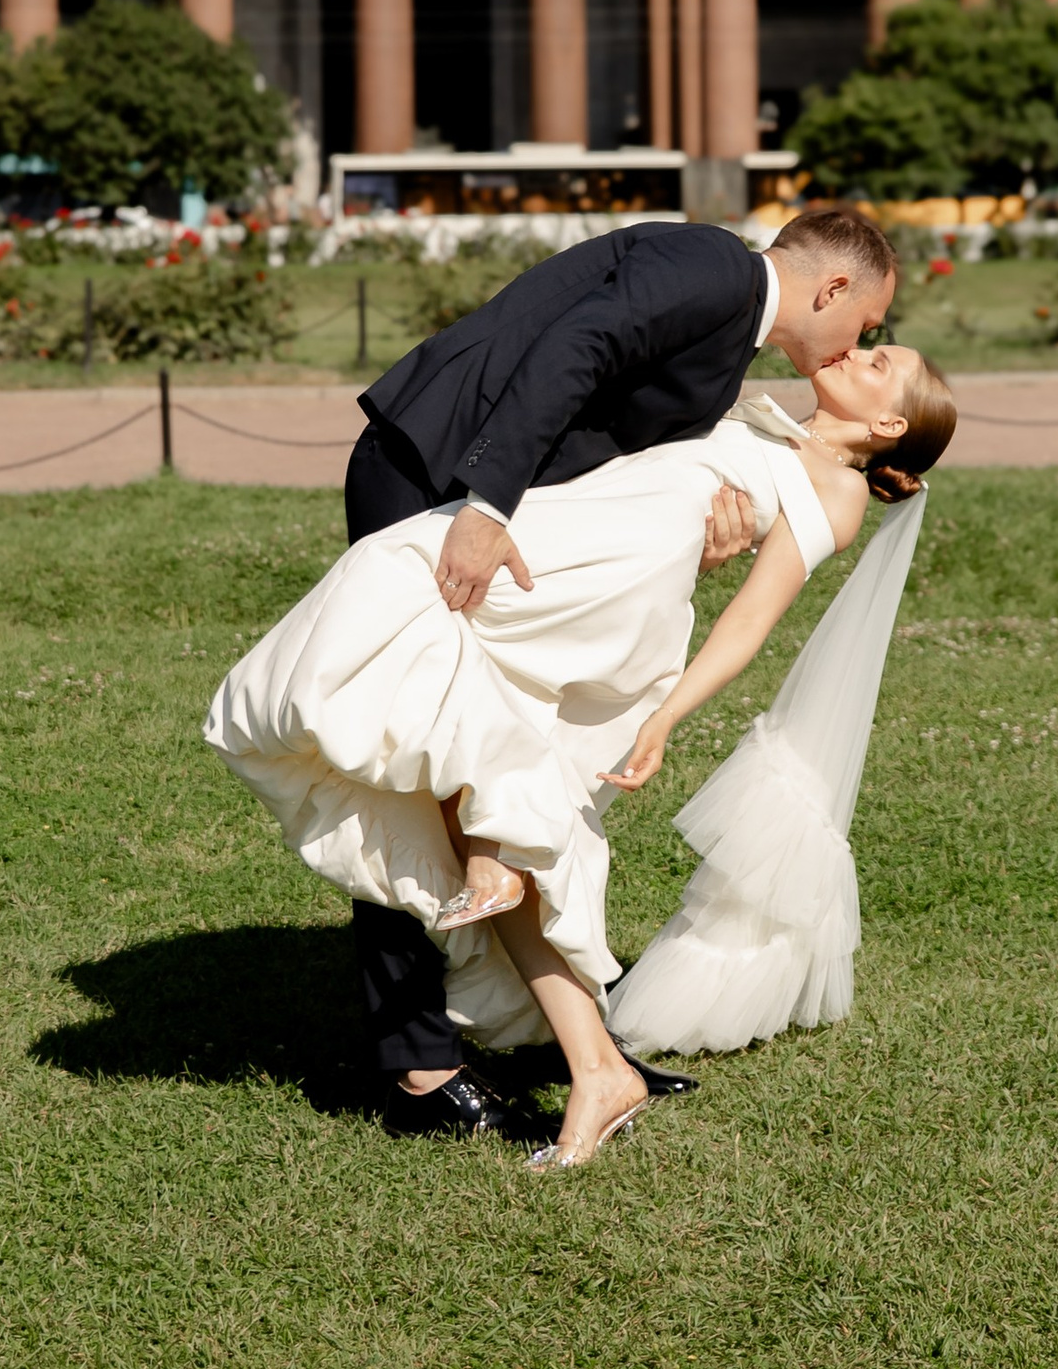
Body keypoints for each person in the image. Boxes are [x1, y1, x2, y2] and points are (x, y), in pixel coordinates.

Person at [206, 338, 955, 1167]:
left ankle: (503, 868)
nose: (861, 350)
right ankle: (596, 1065)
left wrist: (666, 715)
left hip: (598, 599)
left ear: (889, 423)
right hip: (569, 545)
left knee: (410, 593)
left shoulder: (838, 490)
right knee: (467, 798)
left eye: (883, 361)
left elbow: (751, 618)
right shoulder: (755, 411)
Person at [327, 203, 896, 1139]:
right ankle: (418, 1067)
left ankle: (554, 1031)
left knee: (496, 768)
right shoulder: (717, 271)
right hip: (435, 476)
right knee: (408, 757)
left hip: (492, 501)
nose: (858, 343)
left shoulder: (727, 315)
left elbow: (626, 425)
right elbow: (575, 351)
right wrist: (485, 507)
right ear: (832, 288)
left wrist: (699, 513)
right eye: (865, 326)